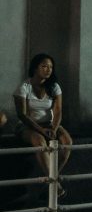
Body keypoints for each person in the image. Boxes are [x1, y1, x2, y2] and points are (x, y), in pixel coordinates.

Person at [13, 53, 72, 193]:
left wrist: (54, 128)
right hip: (27, 126)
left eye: (51, 67)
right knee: (40, 141)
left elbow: (58, 111)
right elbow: (23, 115)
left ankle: (50, 180)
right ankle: (55, 185)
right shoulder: (24, 87)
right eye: (44, 66)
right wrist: (41, 130)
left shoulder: (54, 86)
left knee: (67, 142)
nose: (48, 69)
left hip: (49, 124)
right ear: (35, 68)